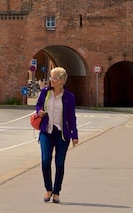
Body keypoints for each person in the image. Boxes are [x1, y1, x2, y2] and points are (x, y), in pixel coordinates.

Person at [33, 66, 79, 204]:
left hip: (62, 135)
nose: (51, 80)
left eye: (54, 78)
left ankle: (57, 192)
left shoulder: (69, 97)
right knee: (45, 161)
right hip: (46, 132)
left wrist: (74, 135)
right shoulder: (45, 92)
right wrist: (39, 111)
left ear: (61, 80)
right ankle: (48, 189)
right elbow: (37, 106)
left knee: (59, 163)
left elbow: (71, 117)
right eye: (51, 78)